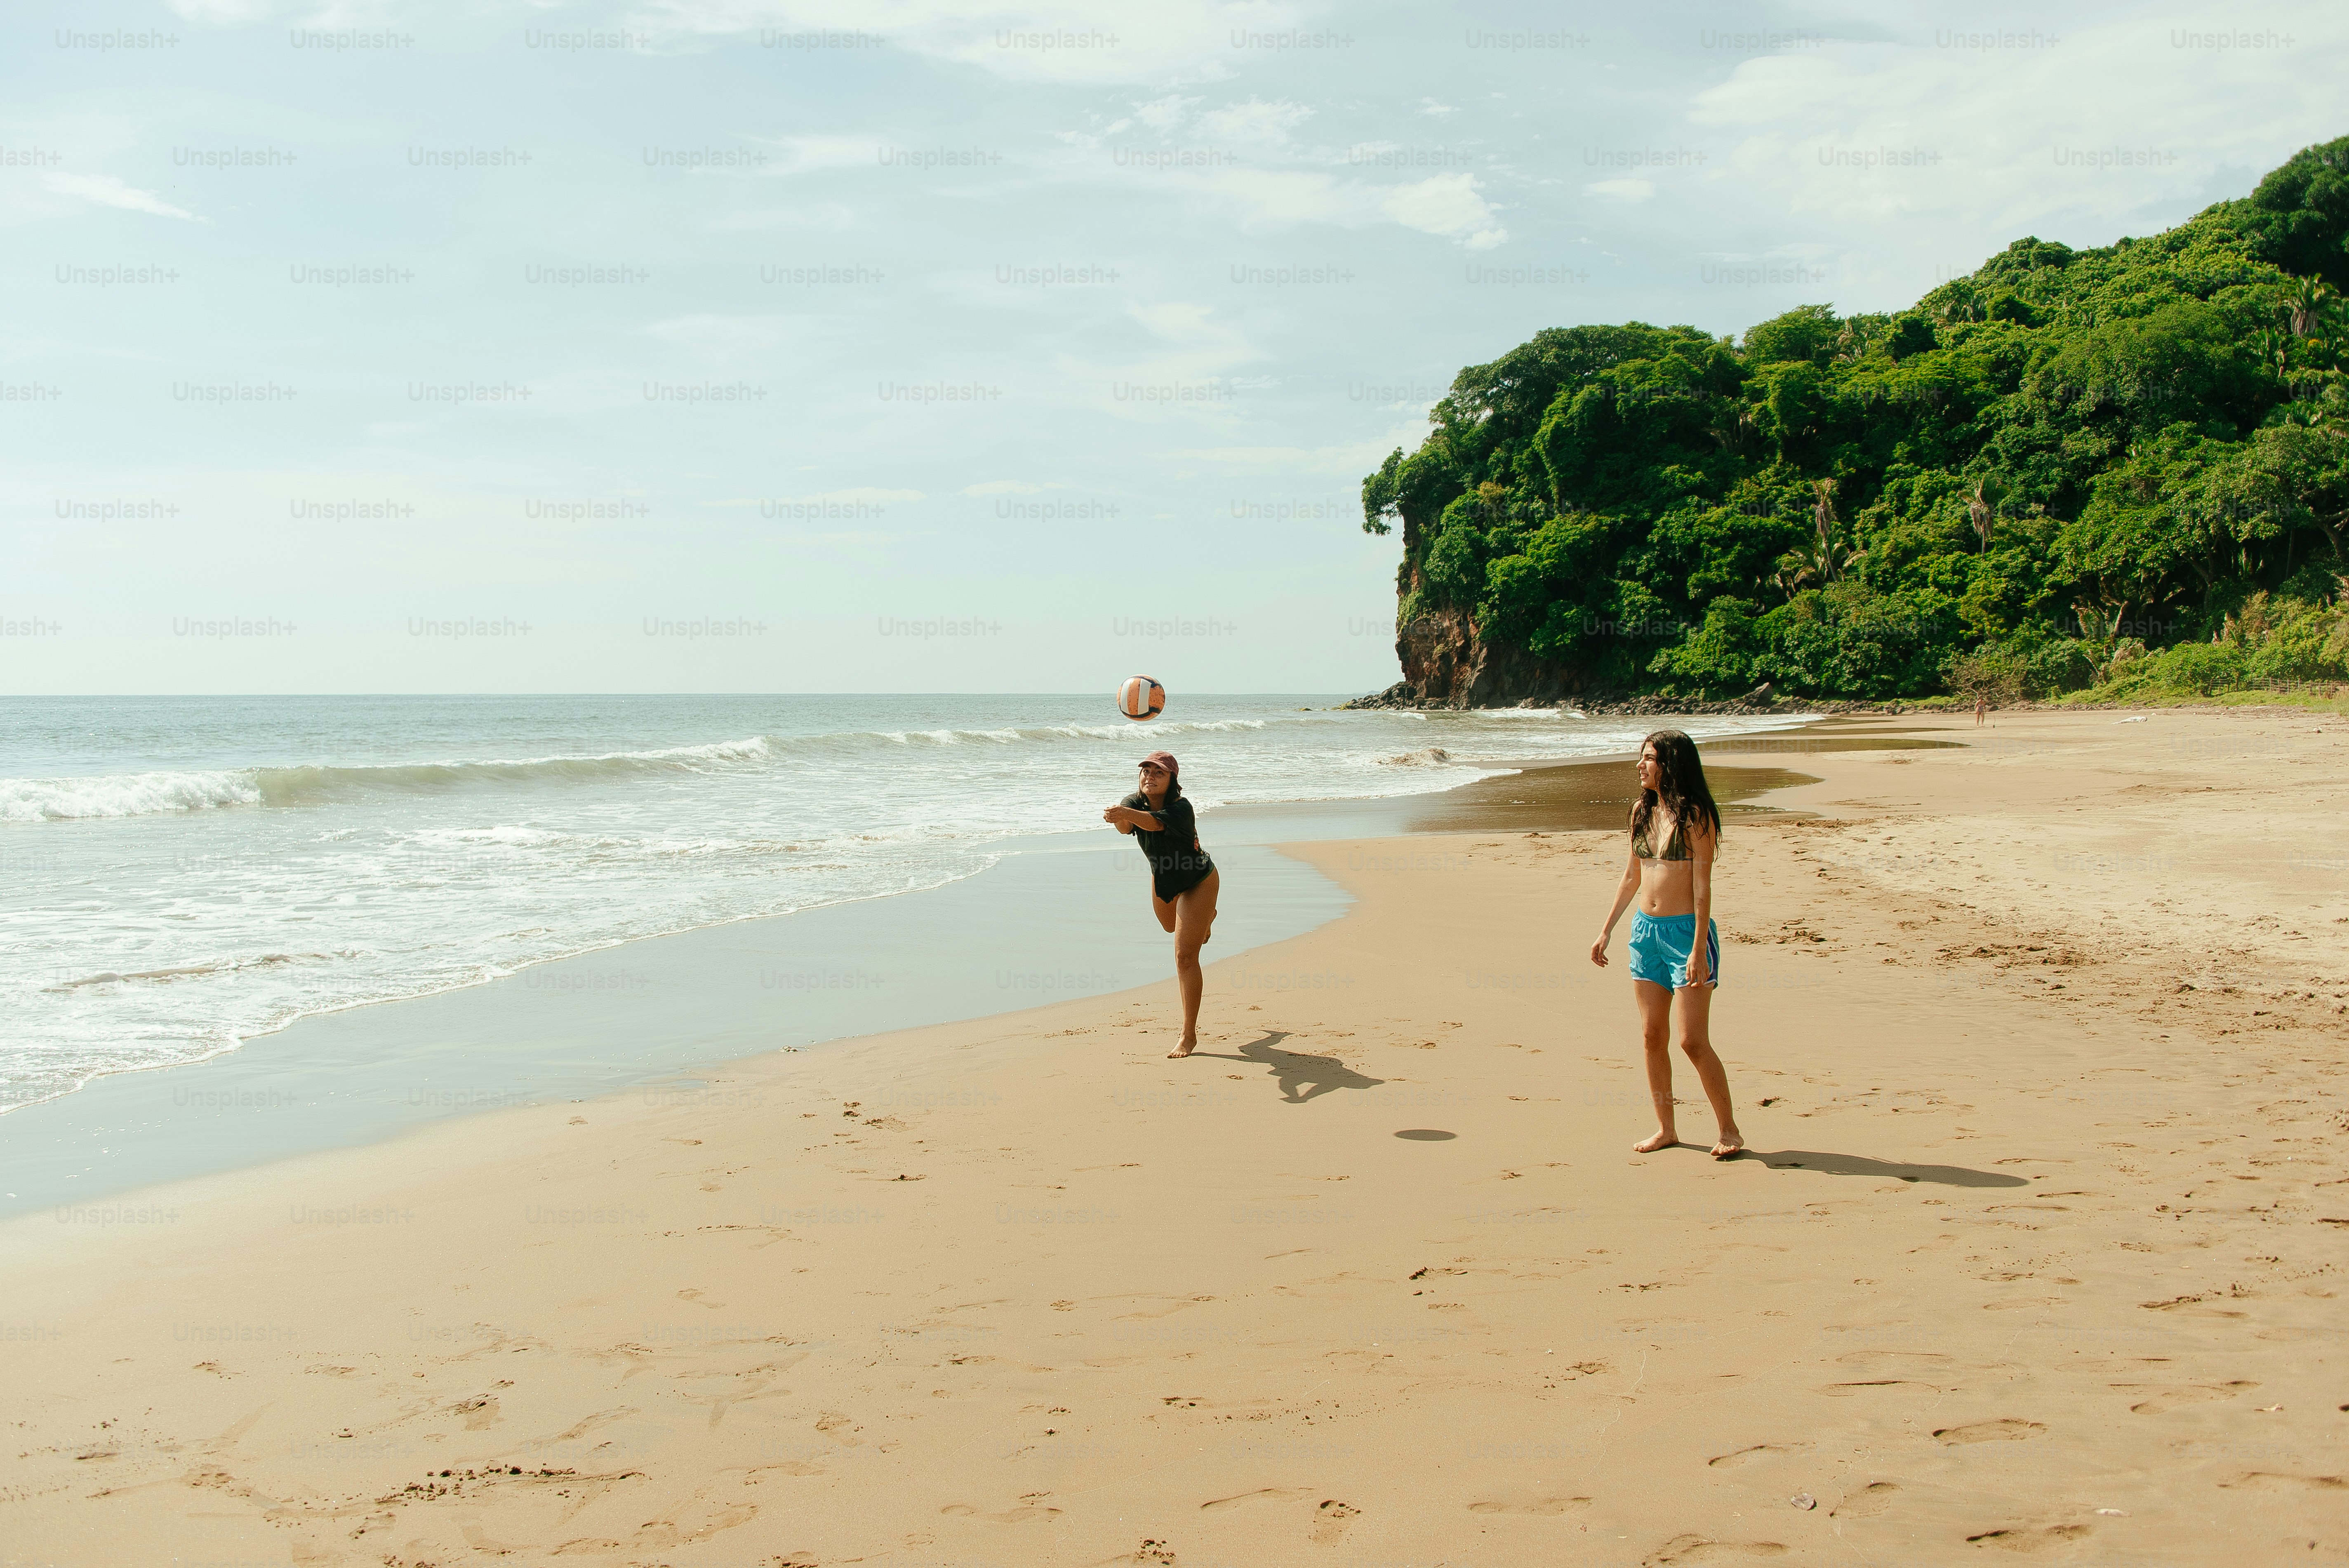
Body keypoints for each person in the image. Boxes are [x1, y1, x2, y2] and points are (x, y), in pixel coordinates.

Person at [1589, 730, 1744, 1158]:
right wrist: (1606, 930)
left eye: (1649, 758)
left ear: (1670, 764)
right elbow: (1630, 877)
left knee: (1691, 1040)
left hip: (1684, 936)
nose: (1640, 765)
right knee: (1649, 1035)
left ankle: (1728, 1129)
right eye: (1640, 758)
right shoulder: (1641, 811)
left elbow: (1702, 887)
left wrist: (1697, 948)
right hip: (1645, 935)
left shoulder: (1696, 817)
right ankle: (1665, 1128)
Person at [1102, 751, 1220, 1057]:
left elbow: (1154, 826)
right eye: (1146, 772)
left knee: (1184, 957)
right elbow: (1126, 828)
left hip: (1198, 881)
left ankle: (1188, 1035)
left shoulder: (1181, 808)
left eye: (1158, 773)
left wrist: (1124, 814)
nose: (1149, 777)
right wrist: (1119, 817)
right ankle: (1206, 919)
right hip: (1164, 879)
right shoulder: (1132, 803)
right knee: (1170, 927)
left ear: (1172, 780)